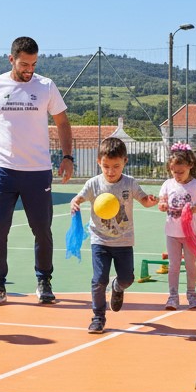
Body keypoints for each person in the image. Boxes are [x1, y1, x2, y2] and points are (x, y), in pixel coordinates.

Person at [0, 36, 73, 306]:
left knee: (42, 229)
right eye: (24, 64)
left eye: (33, 64)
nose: (29, 69)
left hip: (38, 171)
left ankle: (44, 280)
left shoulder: (46, 87)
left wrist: (67, 157)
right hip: (3, 171)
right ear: (11, 59)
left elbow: (63, 122)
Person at [70, 137, 158, 333]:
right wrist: (75, 202)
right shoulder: (93, 184)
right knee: (99, 279)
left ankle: (117, 287)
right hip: (99, 240)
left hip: (124, 240)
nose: (110, 171)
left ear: (125, 162)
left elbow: (144, 200)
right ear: (98, 162)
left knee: (127, 278)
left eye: (116, 166)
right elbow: (80, 197)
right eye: (106, 166)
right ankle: (98, 317)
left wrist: (151, 200)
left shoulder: (130, 183)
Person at [158, 143, 196, 310]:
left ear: (190, 166)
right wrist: (162, 205)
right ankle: (173, 296)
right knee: (173, 265)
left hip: (190, 234)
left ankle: (191, 294)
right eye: (174, 172)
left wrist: (194, 208)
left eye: (181, 171)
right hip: (172, 233)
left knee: (190, 265)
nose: (177, 175)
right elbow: (162, 201)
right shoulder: (167, 184)